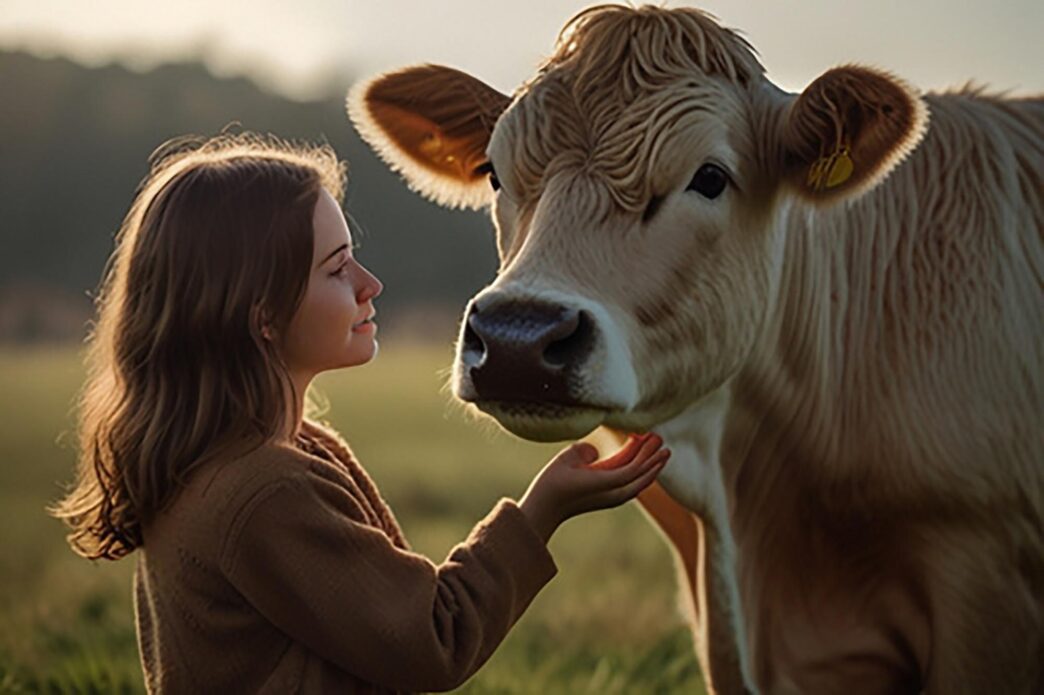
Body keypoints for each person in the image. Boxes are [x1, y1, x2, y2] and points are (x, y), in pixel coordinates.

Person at [50, 133, 670, 693]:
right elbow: (433, 639)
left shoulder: (267, 452)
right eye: (335, 268)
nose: (369, 283)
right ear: (261, 313)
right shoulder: (263, 490)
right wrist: (542, 512)